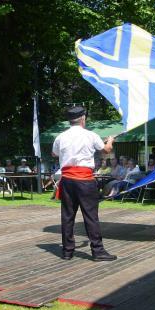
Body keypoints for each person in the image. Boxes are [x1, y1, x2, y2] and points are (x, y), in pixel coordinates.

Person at [52, 106, 116, 261]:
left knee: (67, 216)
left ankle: (67, 251)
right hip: (84, 180)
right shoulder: (91, 135)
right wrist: (110, 141)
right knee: (91, 216)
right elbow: (106, 150)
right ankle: (98, 251)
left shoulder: (60, 137)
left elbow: (54, 154)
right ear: (83, 119)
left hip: (67, 180)